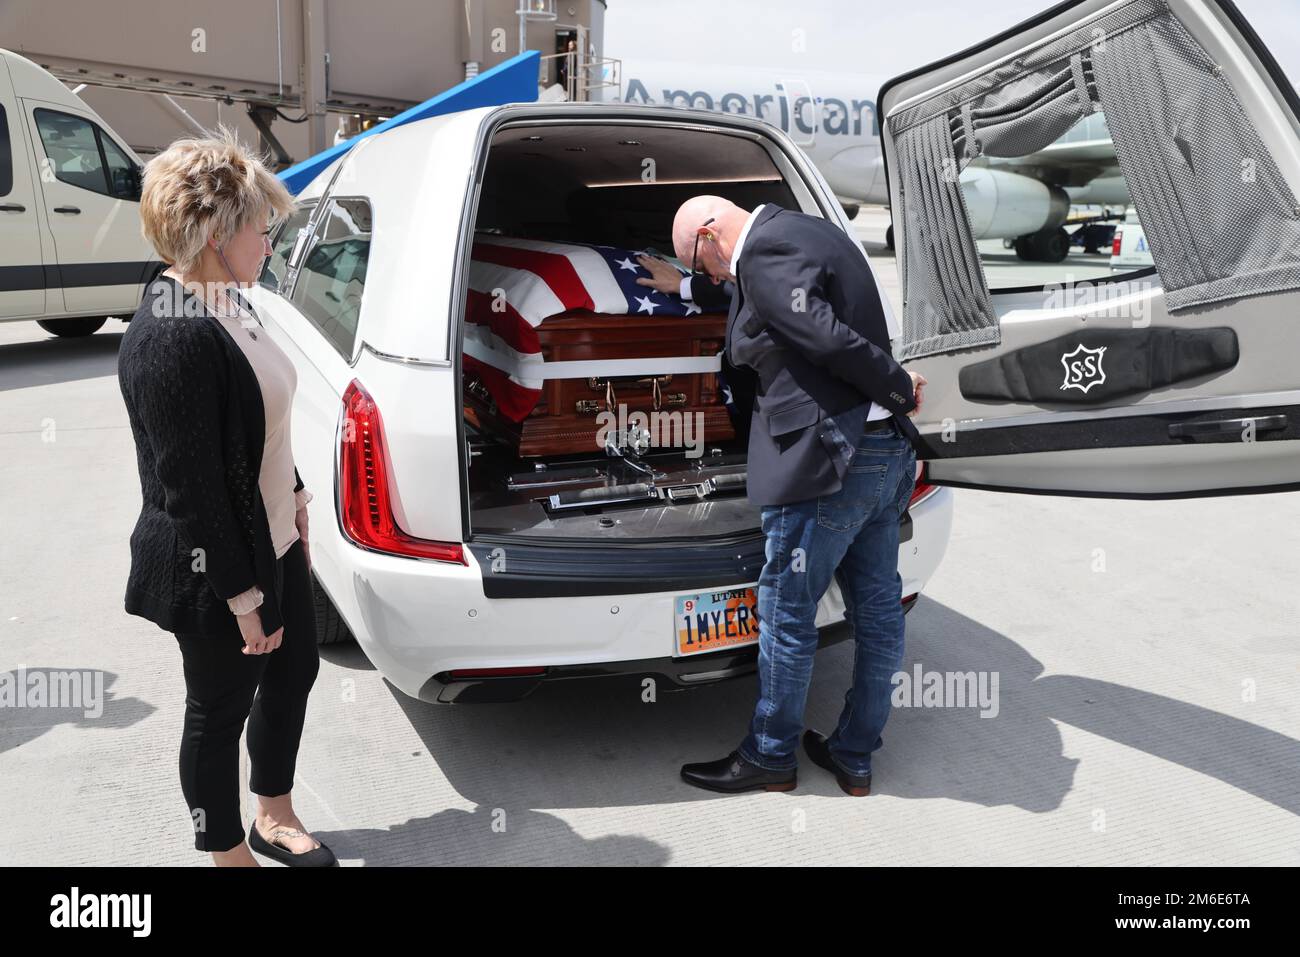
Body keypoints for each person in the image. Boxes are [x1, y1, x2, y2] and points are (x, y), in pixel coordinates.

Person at [117, 127, 335, 866]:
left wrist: (296, 492)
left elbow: (261, 421)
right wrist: (242, 595)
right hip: (218, 565)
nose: (269, 244)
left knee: (295, 670)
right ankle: (226, 849)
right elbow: (191, 485)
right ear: (214, 232)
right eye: (260, 228)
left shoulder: (231, 300)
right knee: (217, 710)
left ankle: (274, 811)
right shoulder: (169, 335)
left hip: (271, 537)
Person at [673, 196, 926, 797]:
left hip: (829, 461)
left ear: (711, 235)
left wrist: (896, 384)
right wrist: (684, 289)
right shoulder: (808, 232)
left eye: (702, 267)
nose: (711, 279)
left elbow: (822, 335)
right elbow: (771, 301)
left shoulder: (760, 253)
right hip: (885, 453)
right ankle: (855, 754)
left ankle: (770, 755)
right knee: (878, 610)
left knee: (787, 612)